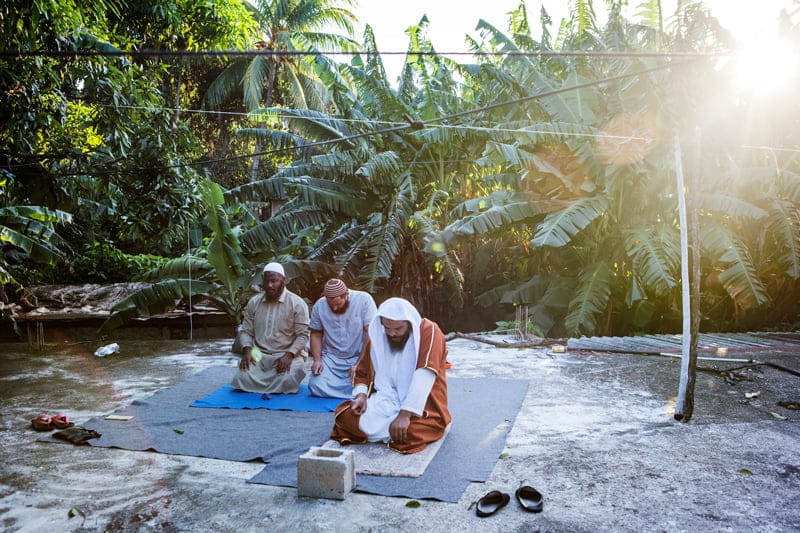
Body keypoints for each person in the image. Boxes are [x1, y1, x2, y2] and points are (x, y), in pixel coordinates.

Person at [330, 297, 451, 454]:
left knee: (411, 432)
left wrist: (404, 414)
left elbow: (425, 375)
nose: (392, 334)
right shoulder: (379, 334)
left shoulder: (429, 331)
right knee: (345, 416)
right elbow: (363, 371)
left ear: (409, 323)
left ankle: (389, 429)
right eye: (387, 328)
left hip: (420, 405)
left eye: (398, 329)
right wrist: (361, 396)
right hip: (385, 399)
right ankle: (388, 431)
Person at [231, 262, 310, 394]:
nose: (269, 285)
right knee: (241, 377)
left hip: (287, 354)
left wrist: (289, 355)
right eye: (267, 281)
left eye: (274, 281)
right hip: (259, 354)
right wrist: (247, 350)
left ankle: (269, 384)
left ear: (283, 280)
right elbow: (246, 331)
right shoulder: (254, 302)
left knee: (286, 379)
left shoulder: (297, 304)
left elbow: (303, 336)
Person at [308, 279, 377, 399]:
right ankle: (358, 392)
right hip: (332, 359)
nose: (334, 308)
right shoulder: (320, 305)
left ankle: (360, 389)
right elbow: (316, 334)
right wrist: (317, 360)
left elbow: (371, 334)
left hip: (359, 356)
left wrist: (360, 363)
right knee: (315, 385)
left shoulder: (364, 300)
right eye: (331, 305)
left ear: (346, 295)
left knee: (370, 382)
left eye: (337, 304)